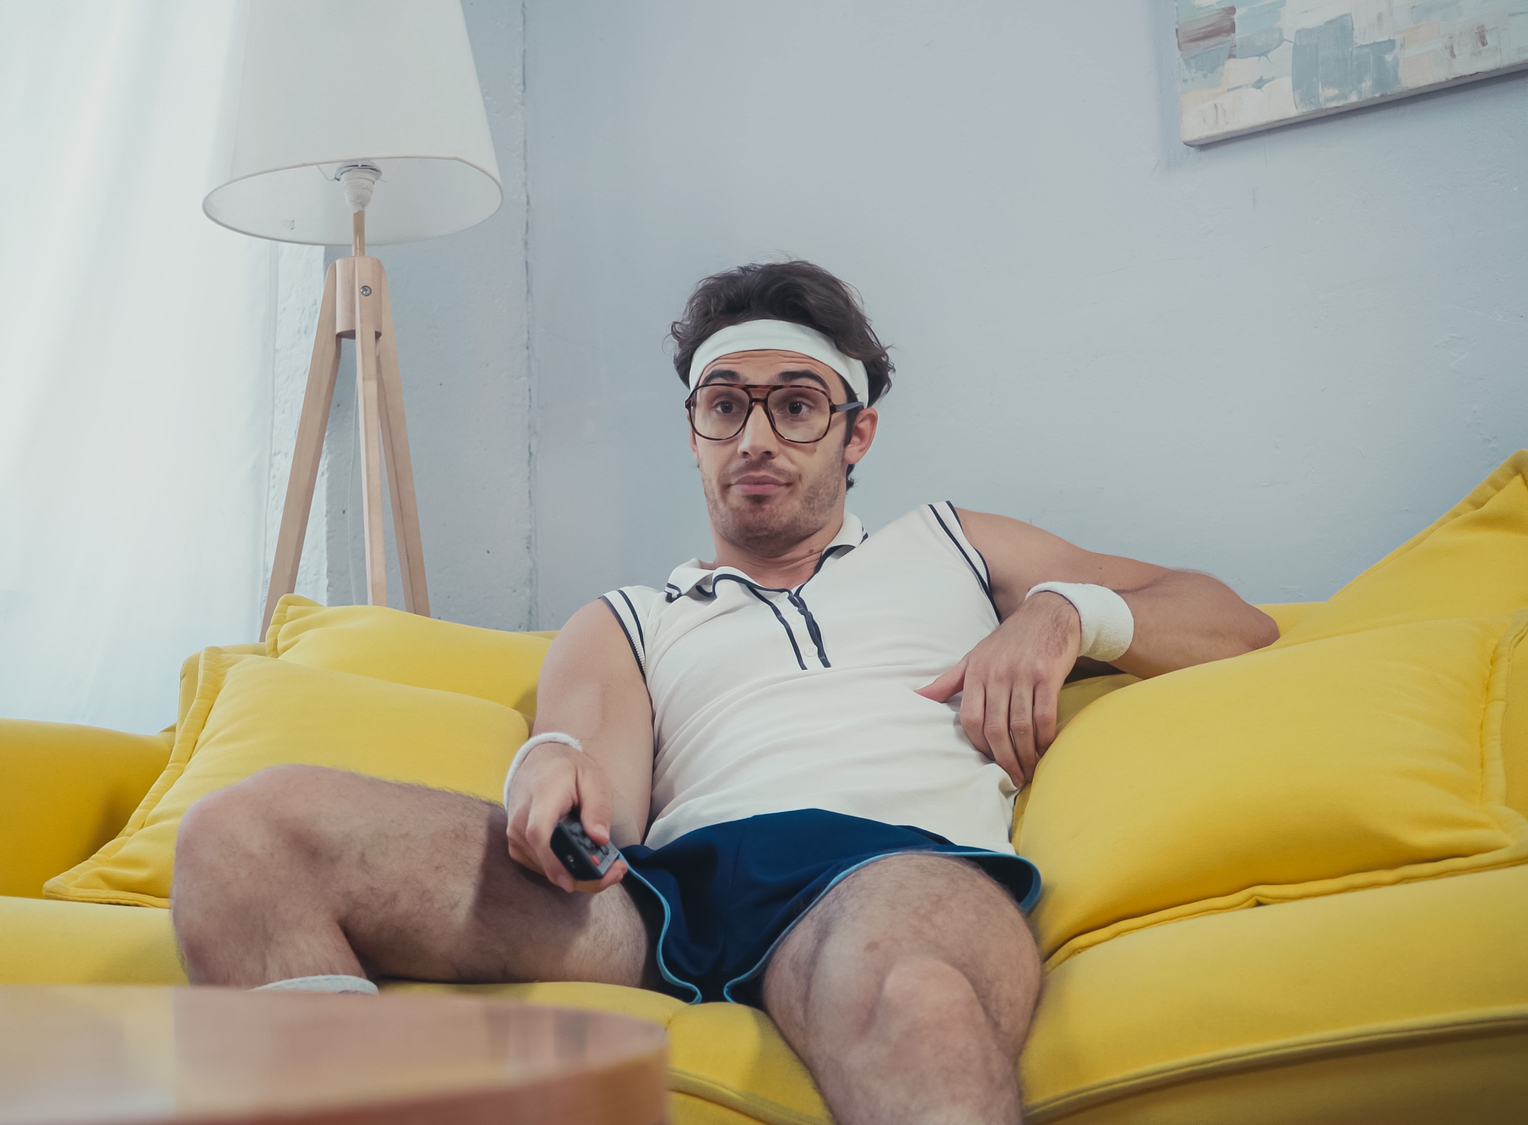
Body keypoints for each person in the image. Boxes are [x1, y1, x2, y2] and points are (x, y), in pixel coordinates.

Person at [171, 260, 1277, 1124]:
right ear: (692, 431)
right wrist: (543, 771)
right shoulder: (629, 615)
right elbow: (590, 771)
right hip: (656, 903)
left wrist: (1063, 611)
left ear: (856, 434)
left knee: (910, 989)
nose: (754, 438)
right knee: (241, 835)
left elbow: (1230, 622)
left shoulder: (949, 542)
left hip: (885, 874)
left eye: (795, 405)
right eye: (724, 405)